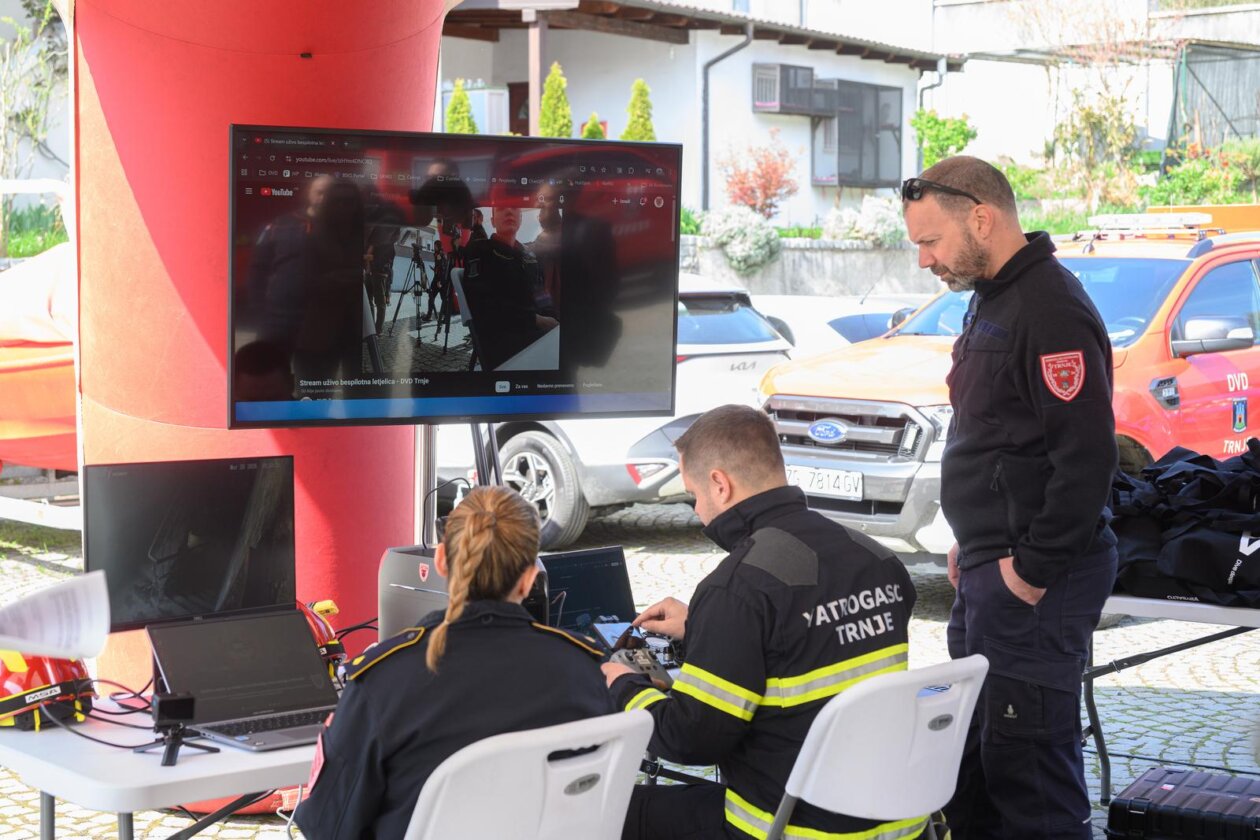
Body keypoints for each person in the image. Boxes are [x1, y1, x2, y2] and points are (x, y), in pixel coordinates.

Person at [901, 156, 1118, 839]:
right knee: (977, 767)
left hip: (1034, 583)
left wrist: (1027, 572)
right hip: (994, 567)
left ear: (982, 218)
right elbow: (1002, 439)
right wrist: (977, 540)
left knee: (1032, 780)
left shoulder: (1048, 309)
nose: (924, 260)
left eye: (930, 242)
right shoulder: (993, 297)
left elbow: (1084, 463)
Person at [603, 404, 921, 840]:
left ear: (720, 484)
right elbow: (809, 639)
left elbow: (691, 741)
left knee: (612, 812)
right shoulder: (877, 558)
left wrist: (623, 685)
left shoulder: (737, 589)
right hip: (894, 817)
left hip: (792, 825)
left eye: (694, 493)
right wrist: (703, 627)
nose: (696, 509)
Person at [294, 485, 614, 839]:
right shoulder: (582, 671)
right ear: (529, 579)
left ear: (442, 560)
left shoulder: (384, 683)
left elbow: (325, 827)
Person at [461, 205, 558, 370]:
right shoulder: (480, 250)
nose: (508, 211)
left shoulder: (529, 255)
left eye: (515, 208)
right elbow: (481, 305)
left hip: (536, 336)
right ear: (492, 221)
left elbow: (541, 296)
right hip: (505, 342)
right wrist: (536, 319)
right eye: (501, 208)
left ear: (520, 218)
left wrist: (553, 318)